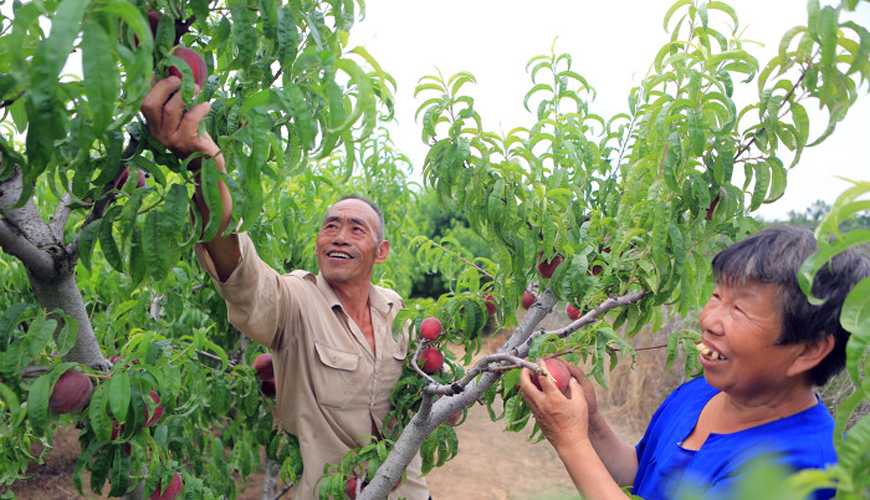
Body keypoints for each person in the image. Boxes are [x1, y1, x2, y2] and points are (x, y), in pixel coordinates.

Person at [140, 77, 430, 500]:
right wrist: (207, 169)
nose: (339, 236)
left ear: (381, 251)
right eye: (330, 226)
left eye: (356, 229)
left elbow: (419, 395)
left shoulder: (396, 308)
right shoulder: (297, 300)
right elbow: (243, 276)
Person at [520, 224, 870, 500]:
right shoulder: (699, 394)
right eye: (717, 295)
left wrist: (569, 441)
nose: (709, 319)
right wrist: (591, 425)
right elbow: (637, 475)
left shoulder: (801, 466)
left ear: (808, 350)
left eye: (740, 309)